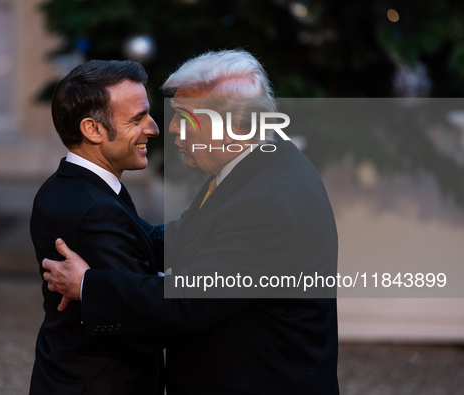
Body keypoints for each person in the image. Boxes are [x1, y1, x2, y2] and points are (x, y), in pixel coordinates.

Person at [43, 50, 339, 394]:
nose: (168, 128)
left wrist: (89, 286)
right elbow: (188, 235)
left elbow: (188, 302)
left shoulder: (267, 201)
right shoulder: (255, 166)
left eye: (184, 118)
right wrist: (114, 233)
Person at [29, 59, 164, 395]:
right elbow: (141, 320)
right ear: (93, 130)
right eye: (137, 118)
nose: (153, 128)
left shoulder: (64, 185)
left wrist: (220, 222)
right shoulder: (96, 210)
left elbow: (147, 240)